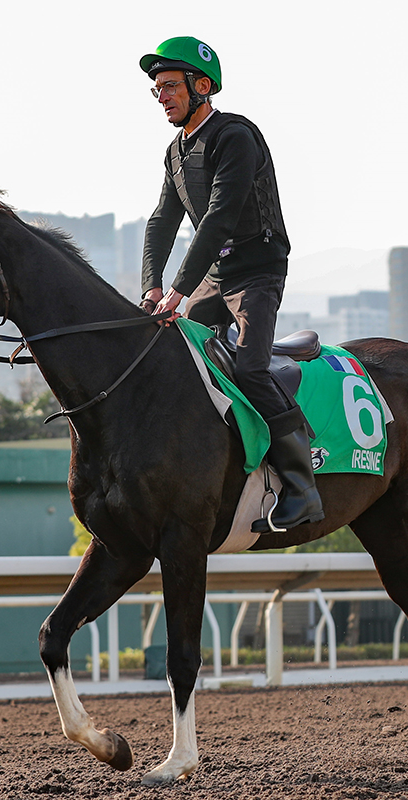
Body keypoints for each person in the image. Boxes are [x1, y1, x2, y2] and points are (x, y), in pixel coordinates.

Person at [138, 36, 323, 533]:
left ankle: (303, 489)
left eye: (170, 86)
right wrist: (151, 288)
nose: (163, 97)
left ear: (202, 87)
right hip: (213, 279)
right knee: (166, 353)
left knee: (250, 369)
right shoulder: (174, 152)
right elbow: (161, 222)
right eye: (156, 90)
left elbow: (219, 218)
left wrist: (177, 289)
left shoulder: (235, 136)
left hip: (256, 274)